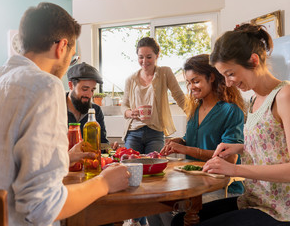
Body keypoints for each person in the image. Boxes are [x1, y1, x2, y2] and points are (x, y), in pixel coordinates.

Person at [0, 2, 129, 226]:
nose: (68, 64)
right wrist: (104, 183)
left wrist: (64, 158)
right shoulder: (45, 85)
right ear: (62, 47)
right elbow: (42, 208)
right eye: (72, 56)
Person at [174, 23, 290, 226]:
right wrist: (240, 146)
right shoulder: (254, 100)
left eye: (230, 74)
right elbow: (274, 146)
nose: (227, 83)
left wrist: (235, 169)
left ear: (253, 61)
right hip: (254, 200)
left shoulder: (285, 96)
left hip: (280, 209)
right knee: (178, 221)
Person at [147, 54, 245, 226]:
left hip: (219, 187)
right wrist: (180, 142)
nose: (191, 87)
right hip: (191, 181)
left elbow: (230, 159)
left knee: (174, 210)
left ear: (212, 77)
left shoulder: (231, 111)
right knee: (153, 206)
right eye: (189, 82)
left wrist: (185, 150)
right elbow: (192, 139)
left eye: (196, 81)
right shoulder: (194, 110)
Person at [121, 37, 186, 155]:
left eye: (149, 57)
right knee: (131, 166)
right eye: (141, 57)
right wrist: (130, 113)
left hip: (155, 132)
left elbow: (179, 96)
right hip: (133, 132)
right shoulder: (131, 79)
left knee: (155, 167)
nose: (144, 61)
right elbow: (124, 105)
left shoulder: (165, 72)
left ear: (157, 55)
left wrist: (194, 114)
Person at [66, 62, 119, 150]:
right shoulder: (55, 108)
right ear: (71, 85)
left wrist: (109, 148)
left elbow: (102, 143)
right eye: (85, 89)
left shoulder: (95, 111)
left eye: (92, 90)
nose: (89, 95)